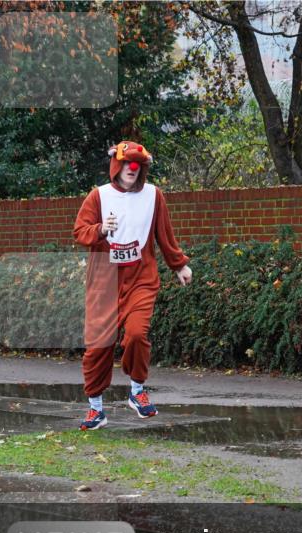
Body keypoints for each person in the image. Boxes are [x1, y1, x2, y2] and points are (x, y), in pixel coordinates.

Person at [74, 141, 193, 430]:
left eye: (137, 164)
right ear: (116, 165)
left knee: (138, 334)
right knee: (98, 346)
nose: (132, 168)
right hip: (105, 280)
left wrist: (178, 264)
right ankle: (96, 409)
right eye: (127, 163)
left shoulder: (154, 196)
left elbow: (165, 234)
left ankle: (137, 391)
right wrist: (101, 229)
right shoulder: (98, 196)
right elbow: (80, 231)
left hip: (141, 277)